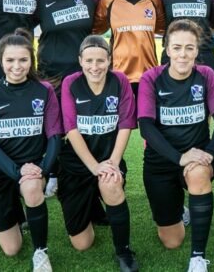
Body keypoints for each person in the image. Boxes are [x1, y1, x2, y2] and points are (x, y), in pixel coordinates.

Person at [38, 0, 152, 199]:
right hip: (52, 73)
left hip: (87, 70)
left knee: (96, 124)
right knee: (57, 126)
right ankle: (54, 174)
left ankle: (107, 171)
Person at [138, 19, 214, 272]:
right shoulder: (151, 78)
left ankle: (198, 257)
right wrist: (180, 158)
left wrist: (209, 153)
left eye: (189, 48)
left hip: (198, 157)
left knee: (198, 173)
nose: (183, 54)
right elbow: (146, 127)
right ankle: (181, 210)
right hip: (162, 161)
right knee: (171, 241)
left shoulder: (206, 75)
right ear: (166, 49)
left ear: (197, 51)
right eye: (177, 47)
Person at [0, 28, 63, 272]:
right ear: (0, 60)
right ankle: (18, 214)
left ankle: (41, 253)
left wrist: (41, 170)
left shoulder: (44, 90)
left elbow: (55, 134)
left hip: (33, 169)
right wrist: (17, 171)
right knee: (12, 248)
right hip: (0, 171)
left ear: (31, 61)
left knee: (33, 187)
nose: (17, 66)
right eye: (10, 60)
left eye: (23, 60)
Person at [58, 35, 139, 272]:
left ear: (109, 60)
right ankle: (92, 207)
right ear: (80, 61)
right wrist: (94, 167)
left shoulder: (120, 81)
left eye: (100, 61)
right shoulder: (70, 83)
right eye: (89, 61)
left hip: (108, 156)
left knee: (111, 183)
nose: (95, 67)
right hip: (76, 163)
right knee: (82, 244)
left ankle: (124, 251)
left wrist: (113, 162)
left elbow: (125, 124)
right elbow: (71, 130)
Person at [94, 0, 166, 97]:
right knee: (124, 119)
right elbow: (96, 29)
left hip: (149, 75)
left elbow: (162, 29)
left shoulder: (153, 0)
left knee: (147, 118)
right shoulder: (108, 1)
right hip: (119, 76)